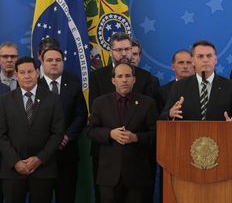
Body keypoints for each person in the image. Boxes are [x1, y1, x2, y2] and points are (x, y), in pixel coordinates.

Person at [89, 32, 157, 202]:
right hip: (107, 158)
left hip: (137, 161)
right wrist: (110, 134)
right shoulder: (97, 77)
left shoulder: (146, 78)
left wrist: (136, 137)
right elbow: (93, 122)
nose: (124, 53)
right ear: (111, 51)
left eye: (127, 48)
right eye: (119, 50)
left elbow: (152, 124)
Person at [0, 56, 64, 203]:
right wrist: (16, 162)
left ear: (37, 73)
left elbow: (57, 134)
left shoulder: (53, 99)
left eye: (30, 71)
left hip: (43, 169)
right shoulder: (4, 100)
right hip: (12, 171)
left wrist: (39, 159)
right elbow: (1, 135)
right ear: (16, 75)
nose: (27, 76)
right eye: (22, 72)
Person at [39, 48, 88, 203]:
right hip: (41, 156)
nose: (54, 63)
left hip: (67, 154)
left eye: (58, 60)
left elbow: (81, 115)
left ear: (63, 62)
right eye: (50, 60)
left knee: (66, 197)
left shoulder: (73, 85)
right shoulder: (34, 86)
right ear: (42, 62)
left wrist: (66, 136)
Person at [161, 40, 232, 121]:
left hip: (220, 135)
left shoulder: (231, 87)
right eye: (200, 56)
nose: (205, 60)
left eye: (209, 56)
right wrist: (170, 114)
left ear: (215, 60)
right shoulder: (179, 86)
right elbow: (163, 117)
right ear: (193, 61)